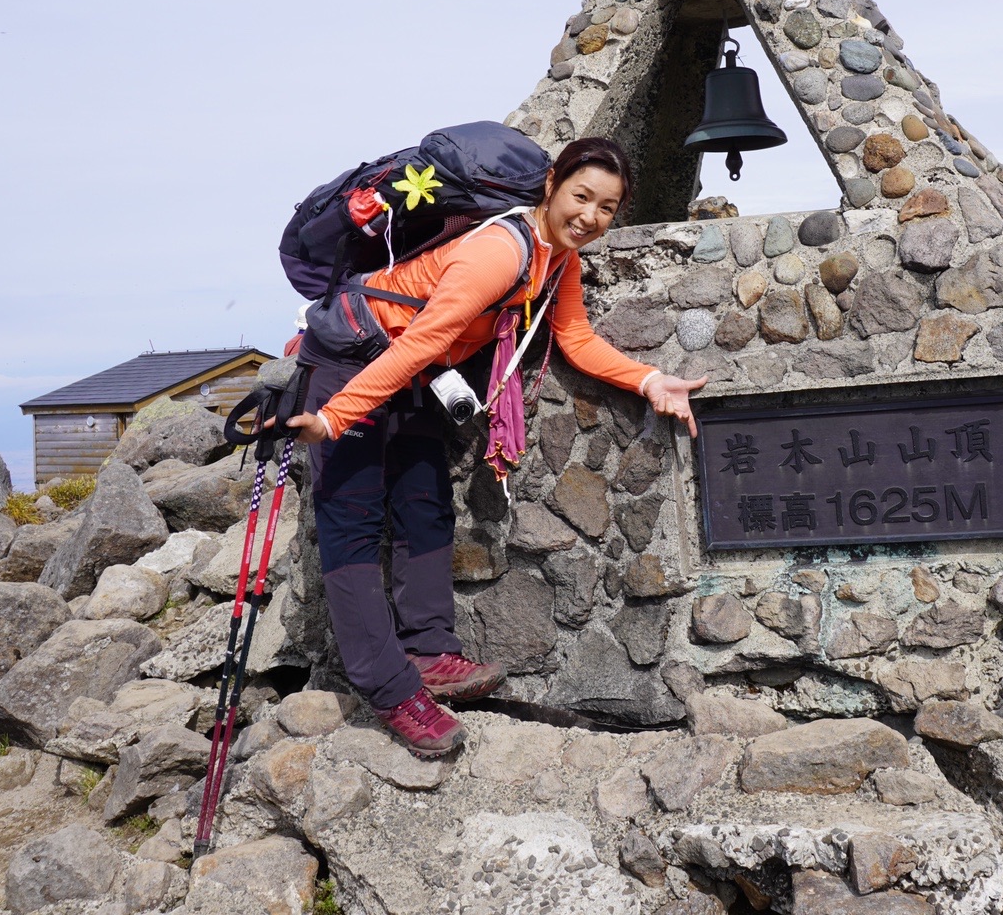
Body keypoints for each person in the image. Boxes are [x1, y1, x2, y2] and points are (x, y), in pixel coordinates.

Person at [283, 137, 706, 756]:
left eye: (607, 208)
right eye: (581, 197)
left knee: (425, 502)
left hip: (412, 375)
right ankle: (391, 690)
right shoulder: (498, 253)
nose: (590, 217)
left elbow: (576, 337)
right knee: (351, 526)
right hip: (356, 362)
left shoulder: (557, 258)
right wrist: (334, 416)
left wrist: (649, 380)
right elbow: (423, 341)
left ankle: (429, 651)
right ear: (551, 186)